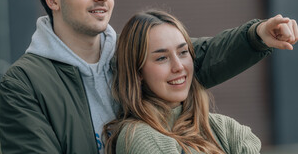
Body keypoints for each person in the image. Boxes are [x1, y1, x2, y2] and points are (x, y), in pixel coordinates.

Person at [0, 0, 298, 154]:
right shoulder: (24, 83)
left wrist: (257, 34)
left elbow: (198, 57)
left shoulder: (127, 54)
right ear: (53, 0)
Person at [103, 10, 262, 154]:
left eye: (183, 52)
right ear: (137, 72)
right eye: (162, 58)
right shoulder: (139, 137)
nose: (179, 66)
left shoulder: (226, 129)